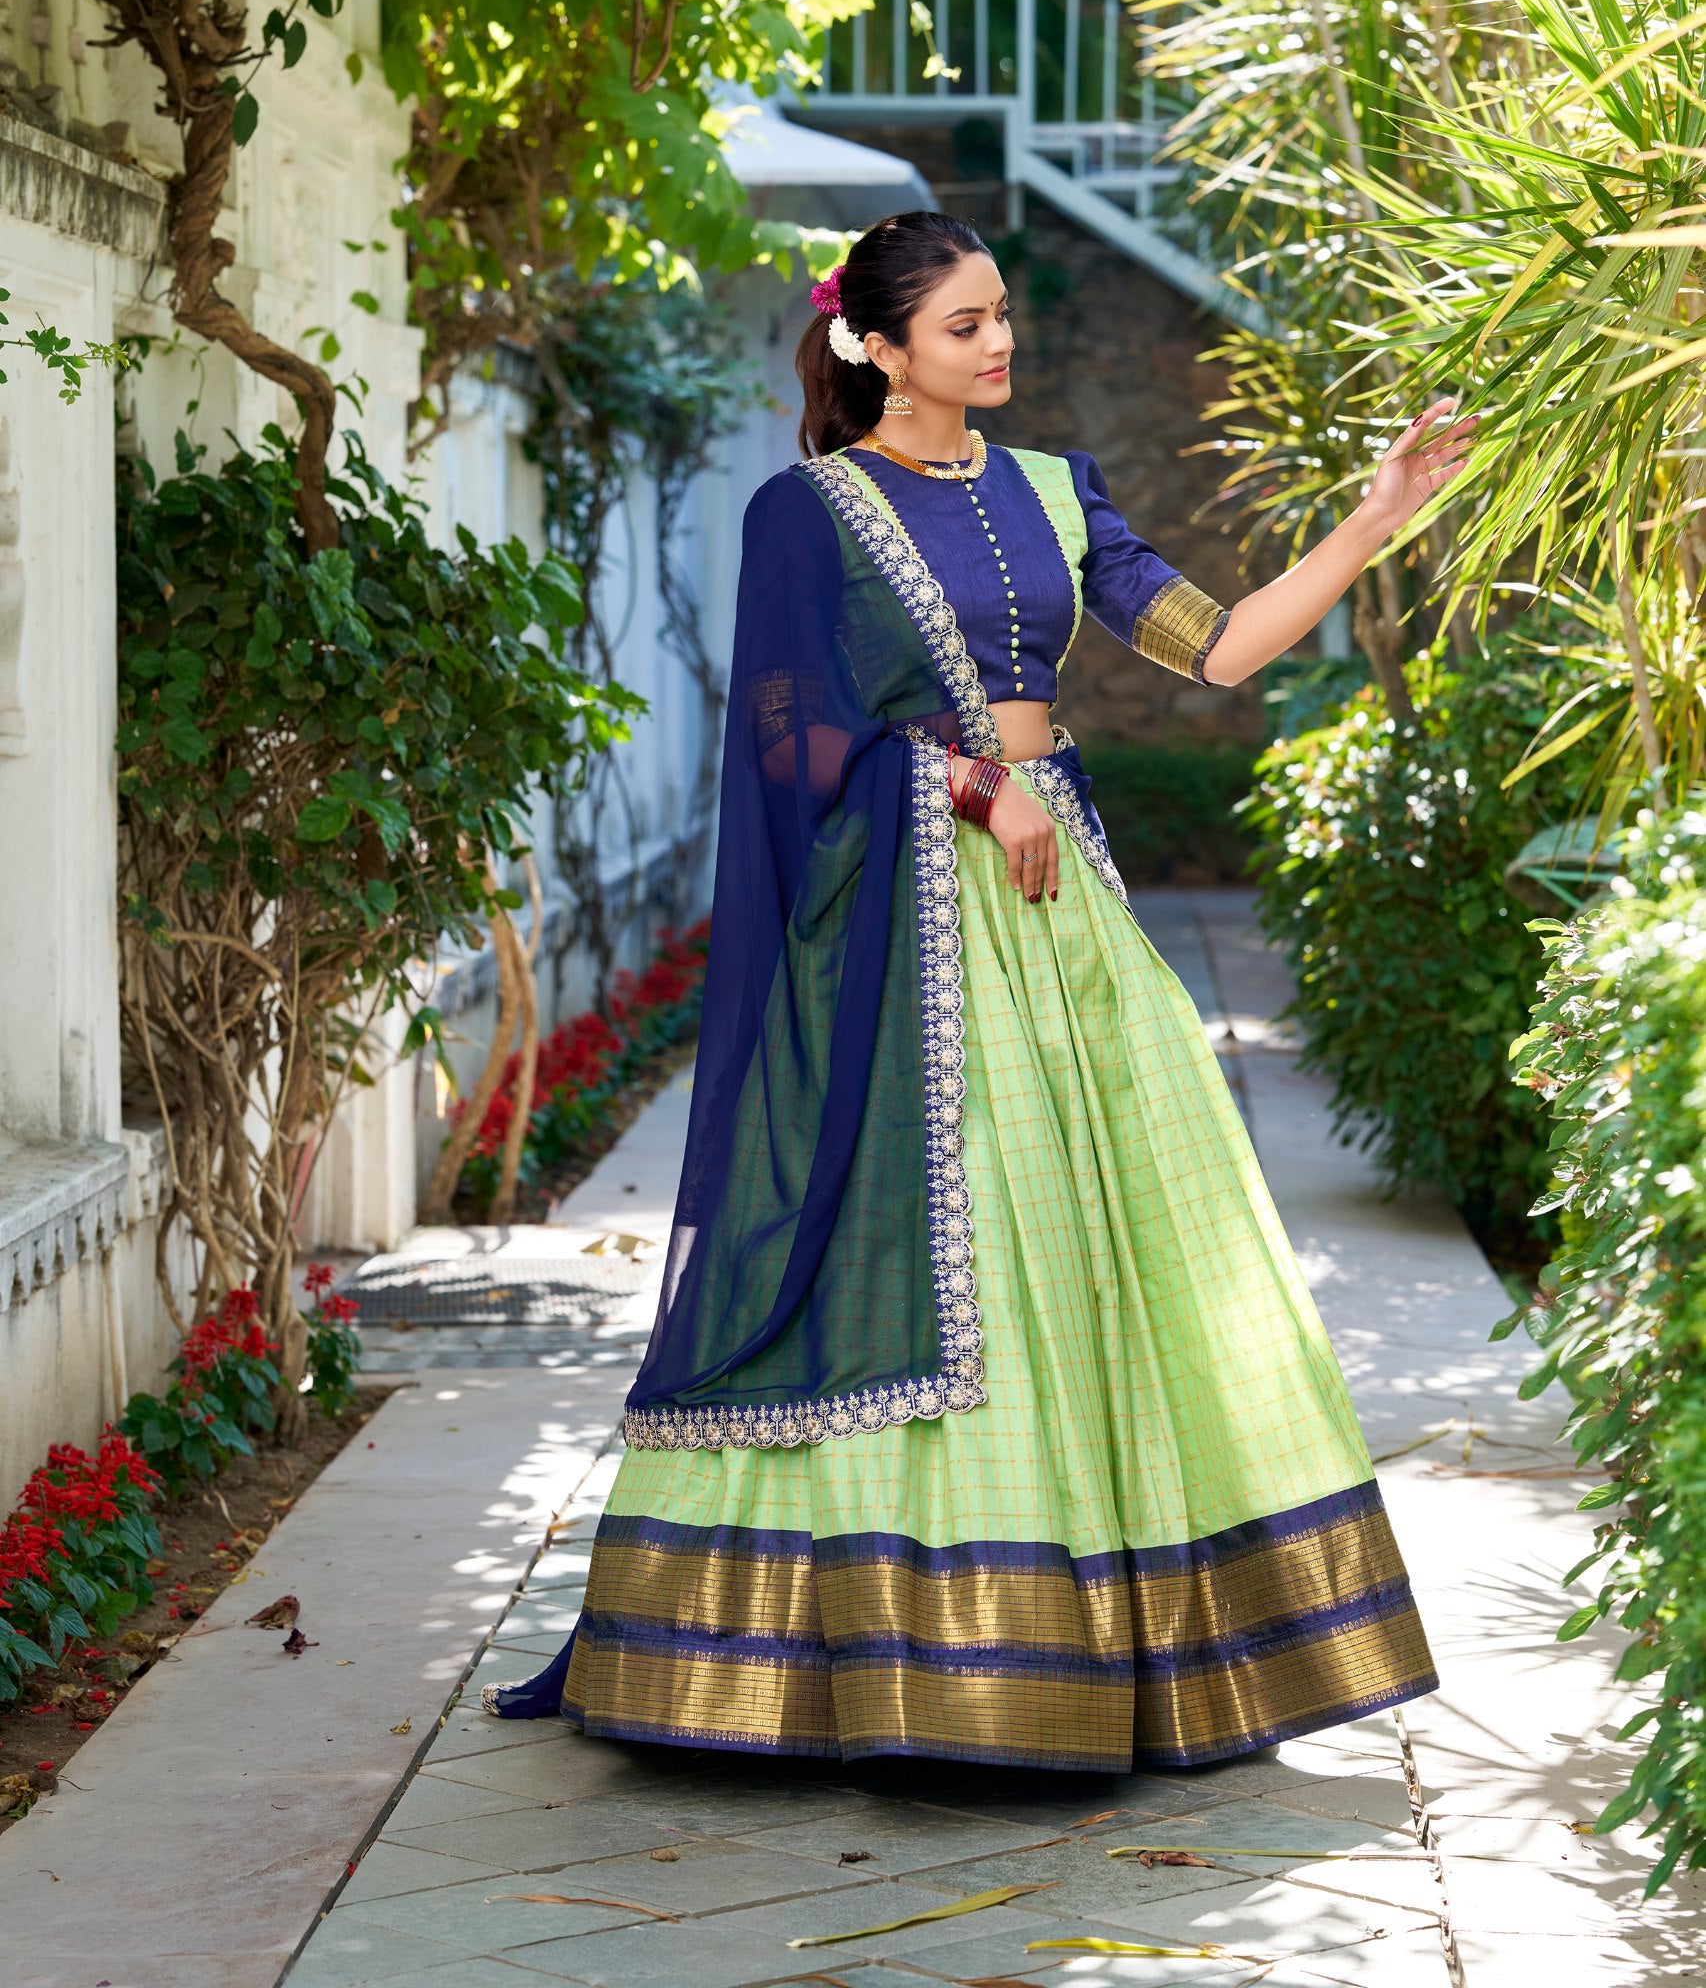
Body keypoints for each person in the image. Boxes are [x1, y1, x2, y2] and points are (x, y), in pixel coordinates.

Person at [488, 210, 1474, 1771]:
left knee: (1115, 1233)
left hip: (1057, 897)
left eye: (1001, 313)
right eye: (962, 325)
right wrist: (961, 780)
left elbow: (1219, 650)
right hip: (904, 916)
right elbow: (789, 738)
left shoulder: (1054, 492)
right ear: (878, 347)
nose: (997, 341)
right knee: (946, 1234)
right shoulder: (807, 512)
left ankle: (1113, 1645)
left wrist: (1376, 515)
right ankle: (873, 1656)